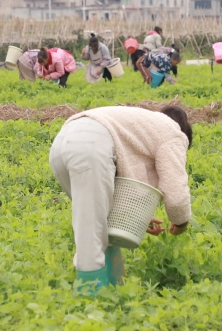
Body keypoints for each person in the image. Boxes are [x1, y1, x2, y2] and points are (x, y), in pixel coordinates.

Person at [48, 105, 194, 292]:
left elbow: (117, 185)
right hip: (90, 147)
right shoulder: (173, 134)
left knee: (101, 221)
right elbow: (175, 191)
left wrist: (138, 215)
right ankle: (90, 297)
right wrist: (181, 222)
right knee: (91, 232)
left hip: (62, 143)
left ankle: (114, 288)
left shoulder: (144, 124)